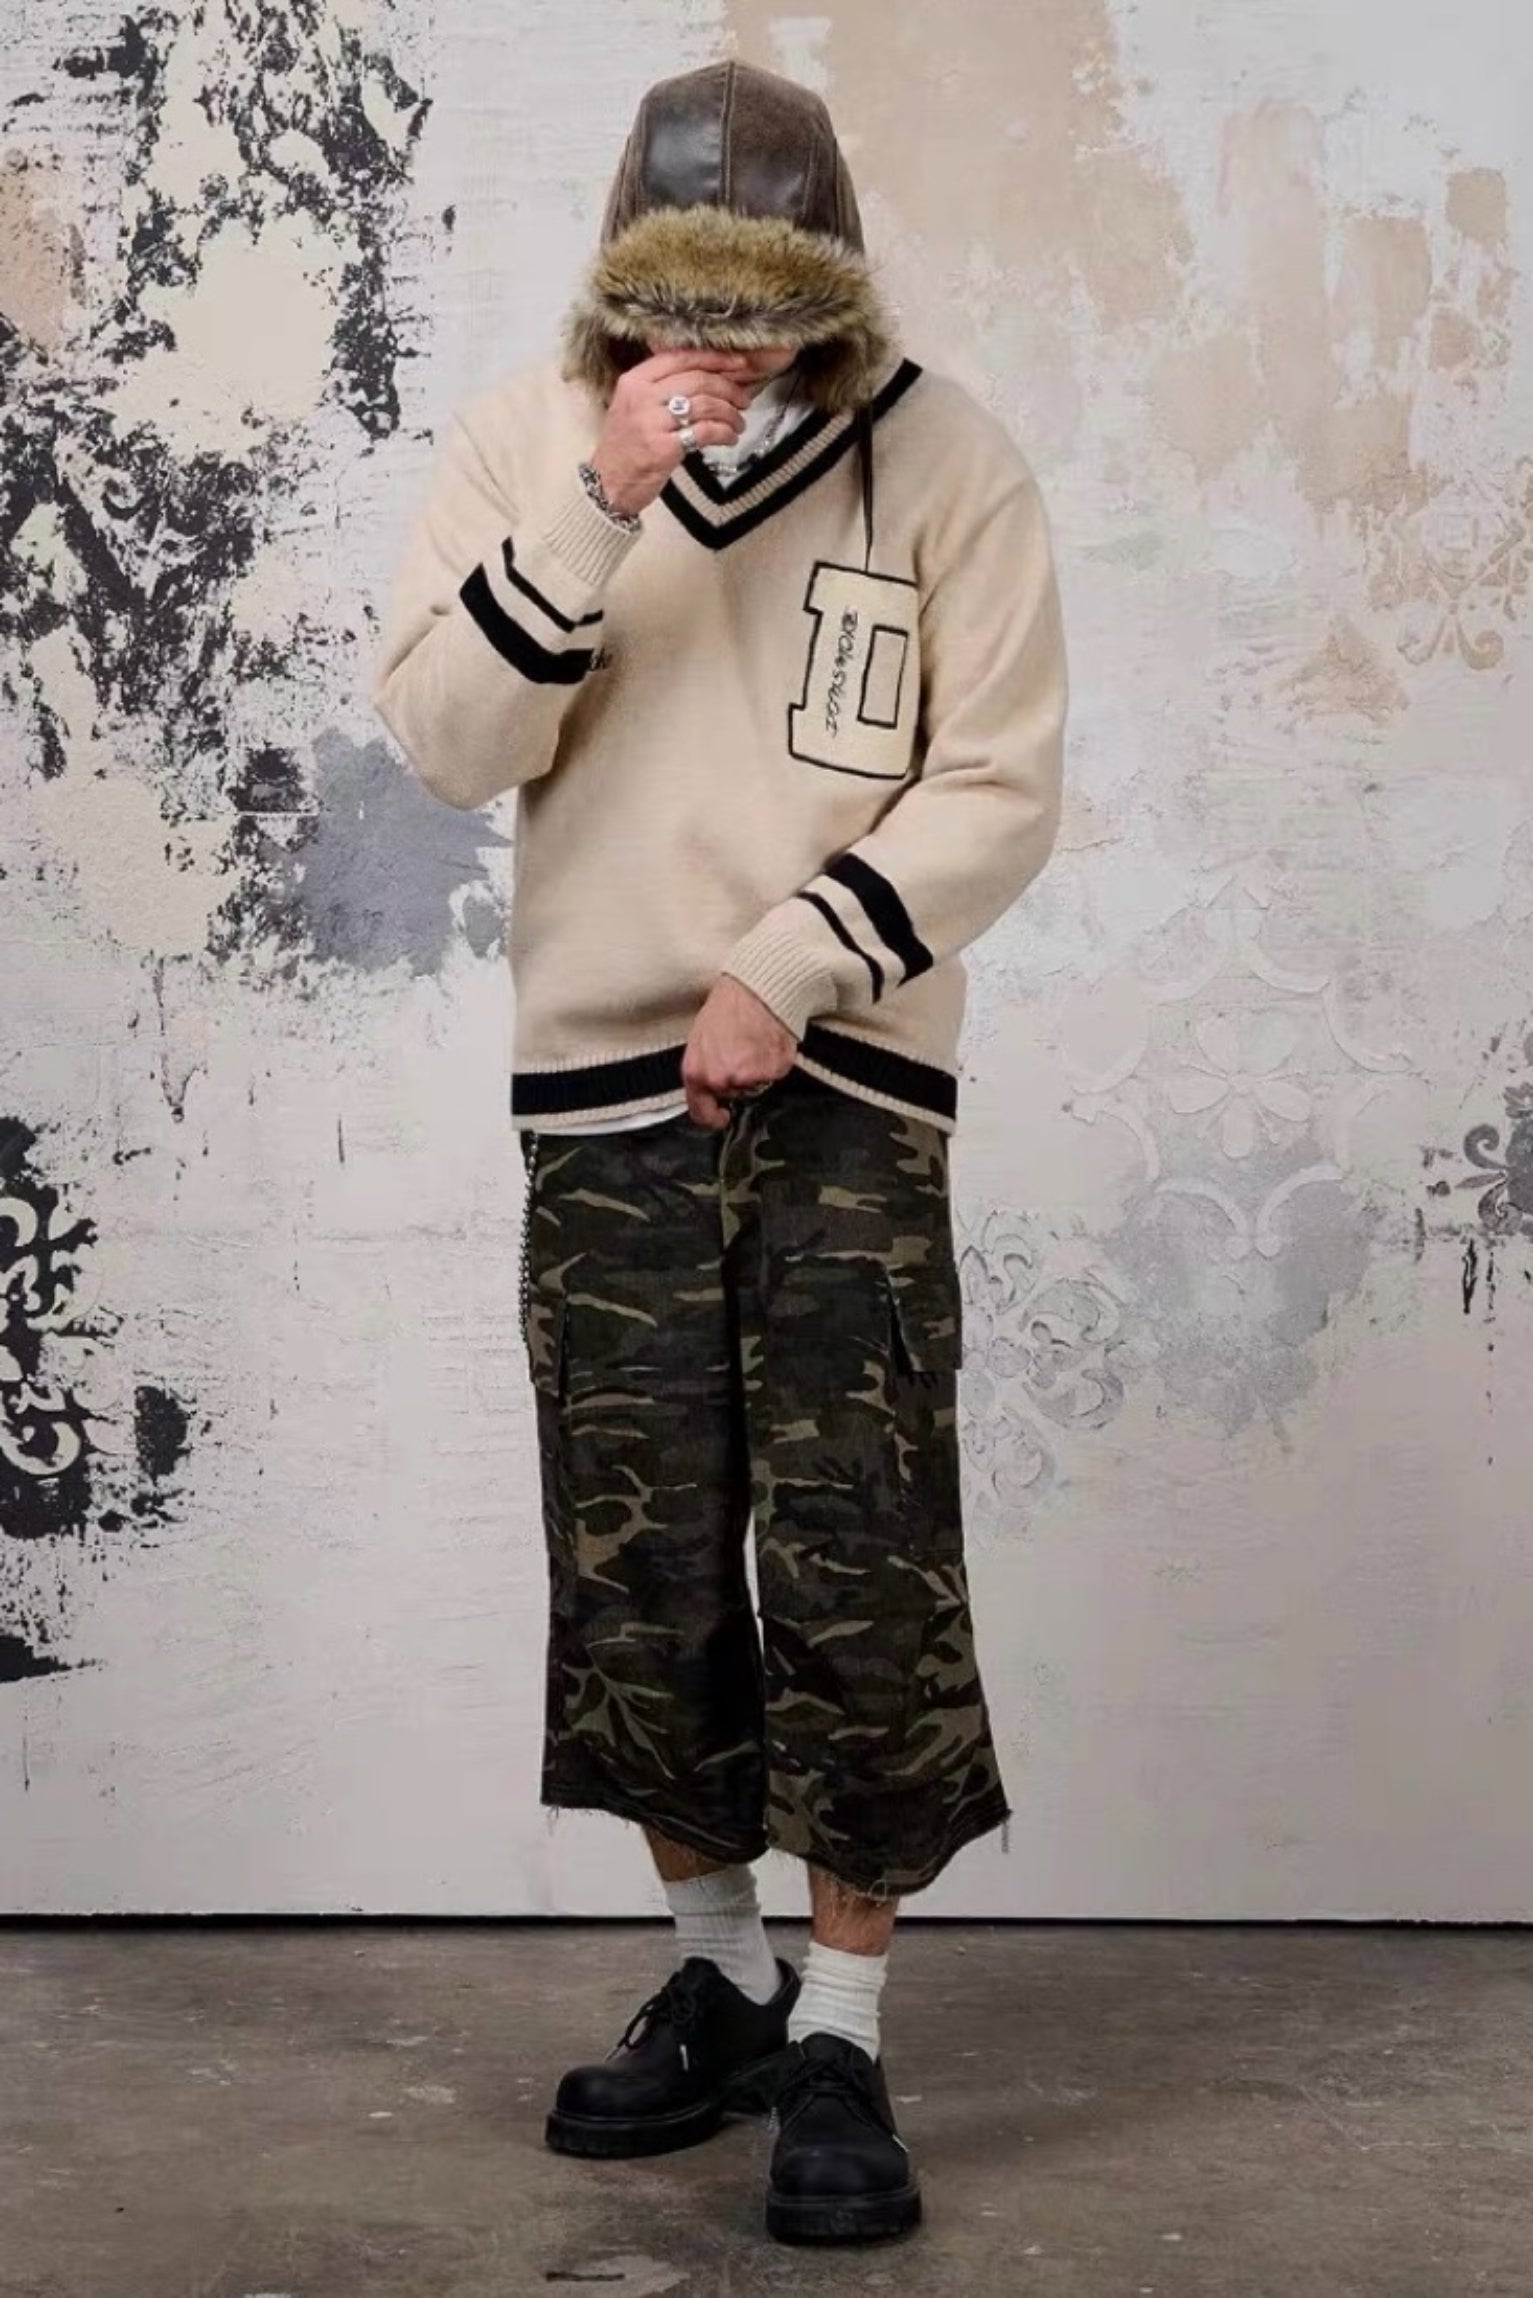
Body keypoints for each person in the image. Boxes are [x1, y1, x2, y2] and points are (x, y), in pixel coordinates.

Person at [372, 56, 1068, 2248]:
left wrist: (790, 961)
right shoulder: (524, 437)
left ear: (829, 289)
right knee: (640, 1559)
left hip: (844, 1077)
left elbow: (996, 783)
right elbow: (442, 742)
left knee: (860, 1550)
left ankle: (841, 2028)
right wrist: (595, 499)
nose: (729, 349)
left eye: (769, 309)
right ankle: (724, 1973)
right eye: (688, 304)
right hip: (602, 1096)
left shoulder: (945, 456)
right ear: (625, 280)